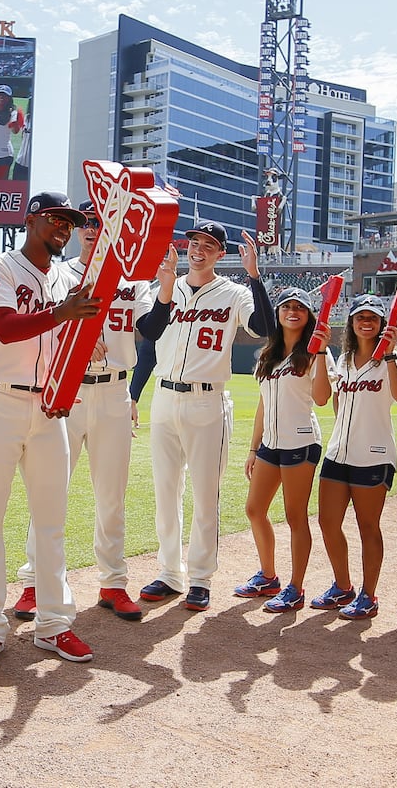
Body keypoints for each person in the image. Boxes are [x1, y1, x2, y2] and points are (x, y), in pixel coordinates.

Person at [12, 199, 172, 623]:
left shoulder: (133, 278)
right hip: (68, 389)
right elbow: (43, 321)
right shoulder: (59, 273)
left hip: (115, 393)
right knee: (50, 491)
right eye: (87, 223)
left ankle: (113, 583)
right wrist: (77, 333)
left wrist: (167, 287)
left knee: (111, 495)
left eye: (102, 222)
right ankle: (34, 582)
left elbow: (151, 330)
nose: (92, 229)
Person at [0, 191, 102, 669]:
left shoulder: (67, 276)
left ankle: (53, 624)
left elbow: (68, 334)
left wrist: (84, 346)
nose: (63, 226)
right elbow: (5, 328)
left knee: (51, 521)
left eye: (70, 221)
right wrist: (64, 314)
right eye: (55, 218)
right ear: (31, 220)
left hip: (49, 406)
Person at [134, 220, 272, 612]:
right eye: (195, 242)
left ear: (219, 253)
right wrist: (164, 289)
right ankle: (169, 572)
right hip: (164, 398)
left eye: (208, 245)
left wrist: (255, 277)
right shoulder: (166, 284)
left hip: (206, 401)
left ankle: (199, 577)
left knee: (204, 494)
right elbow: (150, 331)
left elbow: (264, 327)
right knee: (165, 491)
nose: (199, 249)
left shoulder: (233, 293)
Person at [309, 295, 397, 621]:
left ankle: (369, 594)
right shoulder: (346, 358)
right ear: (351, 323)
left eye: (373, 317)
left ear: (381, 324)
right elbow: (332, 401)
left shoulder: (391, 358)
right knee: (327, 522)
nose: (366, 322)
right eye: (359, 317)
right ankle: (343, 586)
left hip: (374, 454)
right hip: (340, 452)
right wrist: (322, 352)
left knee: (368, 527)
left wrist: (391, 355)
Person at [236, 287, 331, 614]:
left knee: (294, 516)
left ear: (308, 316)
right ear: (277, 314)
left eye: (300, 308)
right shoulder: (268, 354)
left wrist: (320, 352)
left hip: (301, 442)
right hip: (270, 444)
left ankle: (296, 587)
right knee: (254, 509)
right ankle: (268, 576)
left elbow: (321, 399)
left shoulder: (316, 352)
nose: (293, 312)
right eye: (287, 306)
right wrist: (253, 447)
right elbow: (264, 404)